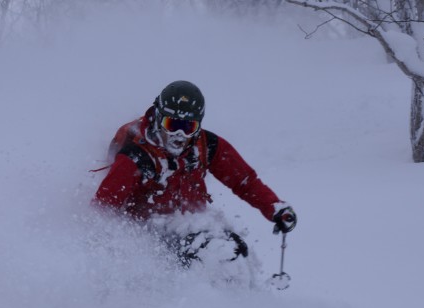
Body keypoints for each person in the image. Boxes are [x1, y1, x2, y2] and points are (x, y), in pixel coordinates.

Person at [93, 80, 296, 269]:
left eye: (188, 127)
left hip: (192, 224)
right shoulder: (136, 158)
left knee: (234, 250)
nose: (179, 135)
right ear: (158, 119)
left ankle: (238, 303)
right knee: (210, 255)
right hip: (148, 235)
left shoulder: (206, 145)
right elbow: (103, 209)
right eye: (172, 125)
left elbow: (244, 181)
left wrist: (274, 208)